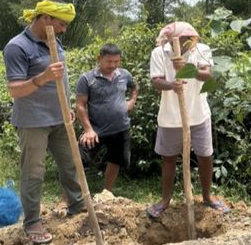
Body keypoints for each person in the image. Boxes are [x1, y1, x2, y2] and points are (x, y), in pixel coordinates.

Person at [2, 0, 85, 245]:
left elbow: (62, 80)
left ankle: (78, 204)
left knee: (70, 163)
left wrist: (67, 107)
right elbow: (15, 90)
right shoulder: (17, 47)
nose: (64, 29)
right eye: (61, 23)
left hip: (59, 118)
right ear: (45, 19)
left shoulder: (54, 40)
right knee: (34, 171)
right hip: (32, 122)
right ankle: (32, 222)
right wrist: (43, 77)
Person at [146, 21, 229, 218]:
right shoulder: (159, 53)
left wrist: (187, 68)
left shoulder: (201, 50)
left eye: (190, 39)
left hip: (199, 114)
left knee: (205, 156)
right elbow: (156, 81)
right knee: (168, 159)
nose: (188, 43)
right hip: (170, 117)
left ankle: (207, 197)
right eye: (183, 40)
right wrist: (171, 85)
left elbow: (207, 76)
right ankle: (165, 200)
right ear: (172, 40)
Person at [75, 43, 139, 194]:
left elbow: (135, 86)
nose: (113, 65)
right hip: (95, 130)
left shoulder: (124, 74)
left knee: (115, 160)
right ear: (99, 59)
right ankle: (70, 198)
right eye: (109, 62)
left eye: (116, 62)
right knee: (79, 161)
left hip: (121, 128)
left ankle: (106, 193)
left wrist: (132, 101)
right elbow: (80, 106)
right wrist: (88, 130)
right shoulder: (87, 79)